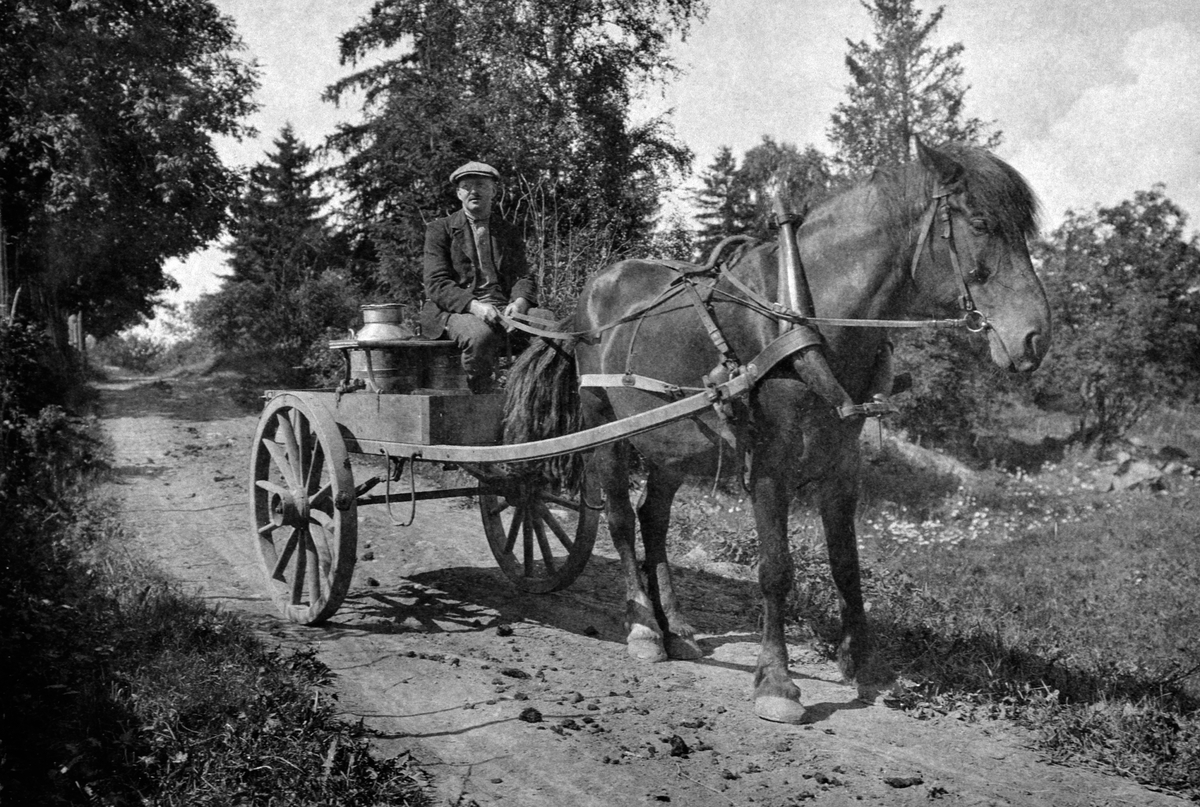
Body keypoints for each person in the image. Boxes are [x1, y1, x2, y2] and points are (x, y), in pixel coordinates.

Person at [420, 161, 545, 393]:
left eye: (481, 185)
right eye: (467, 186)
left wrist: (519, 303)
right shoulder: (440, 230)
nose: (474, 191)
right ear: (459, 193)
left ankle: (532, 395)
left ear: (493, 191)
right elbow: (436, 284)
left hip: (503, 307)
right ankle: (480, 398)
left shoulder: (508, 231)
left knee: (549, 327)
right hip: (455, 310)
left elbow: (523, 276)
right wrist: (475, 306)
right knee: (480, 336)